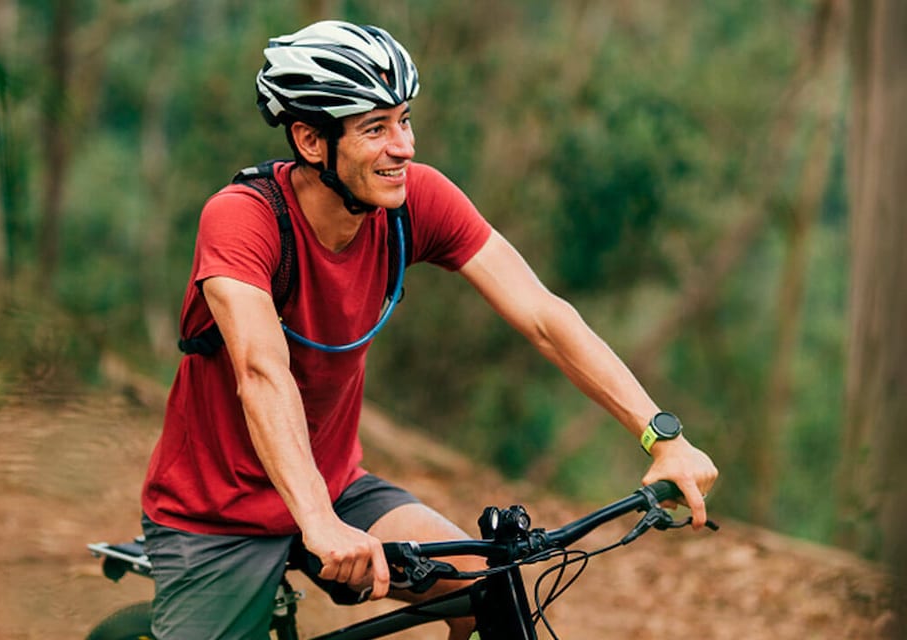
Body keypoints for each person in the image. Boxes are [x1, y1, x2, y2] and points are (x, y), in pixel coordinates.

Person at [140, 19, 718, 640]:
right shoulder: (243, 221)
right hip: (217, 514)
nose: (404, 147)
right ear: (309, 140)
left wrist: (661, 436)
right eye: (375, 129)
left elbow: (544, 315)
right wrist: (316, 521)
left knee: (483, 588)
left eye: (404, 120)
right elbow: (261, 371)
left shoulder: (413, 201)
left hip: (338, 487)